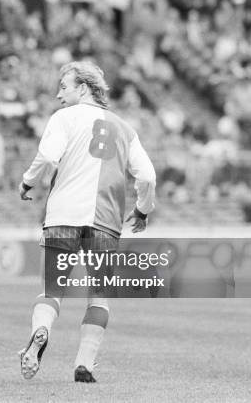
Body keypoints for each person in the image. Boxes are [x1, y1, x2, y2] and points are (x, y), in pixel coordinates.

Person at [18, 61, 156, 382]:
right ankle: (84, 365)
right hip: (105, 223)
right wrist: (143, 210)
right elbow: (147, 176)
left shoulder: (63, 118)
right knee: (99, 296)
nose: (58, 94)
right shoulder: (125, 128)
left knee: (52, 290)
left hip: (62, 218)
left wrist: (27, 182)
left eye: (63, 87)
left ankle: (41, 330)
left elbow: (49, 157)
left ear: (83, 88)